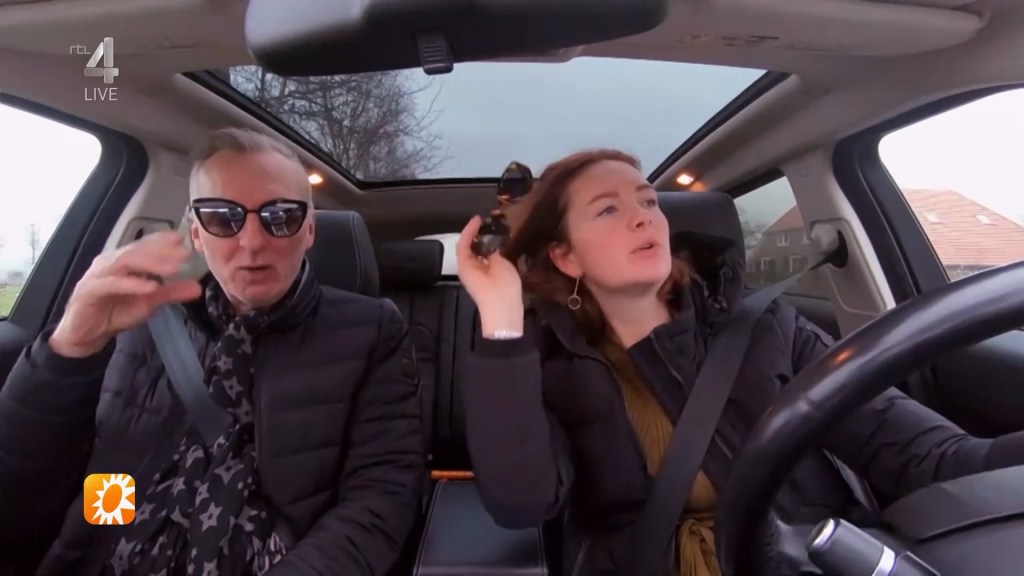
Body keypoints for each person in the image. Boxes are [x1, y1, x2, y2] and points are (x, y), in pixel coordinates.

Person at [455, 148, 1024, 576]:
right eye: (608, 209)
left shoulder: (768, 330)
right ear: (566, 257)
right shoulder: (546, 366)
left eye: (648, 202)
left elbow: (927, 456)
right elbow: (522, 503)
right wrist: (501, 317)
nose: (644, 218)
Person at [0, 127, 424, 576]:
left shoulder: (369, 331)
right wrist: (70, 345)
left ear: (310, 229)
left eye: (281, 216)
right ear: (197, 234)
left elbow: (380, 496)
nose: (253, 242)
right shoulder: (140, 320)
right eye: (223, 217)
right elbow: (23, 492)